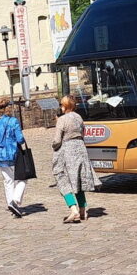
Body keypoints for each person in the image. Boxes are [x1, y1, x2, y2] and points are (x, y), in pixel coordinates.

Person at [52, 95, 101, 223]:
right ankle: (83, 210)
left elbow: (57, 140)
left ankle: (73, 209)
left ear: (65, 106)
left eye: (62, 104)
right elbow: (83, 133)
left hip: (67, 150)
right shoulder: (79, 117)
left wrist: (54, 146)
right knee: (78, 180)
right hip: (80, 148)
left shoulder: (62, 120)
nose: (61, 107)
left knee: (62, 177)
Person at [0, 96, 27, 218]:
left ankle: (11, 205)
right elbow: (20, 139)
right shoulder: (13, 121)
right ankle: (15, 201)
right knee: (21, 179)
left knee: (8, 181)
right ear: (8, 108)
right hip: (13, 154)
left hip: (0, 156)